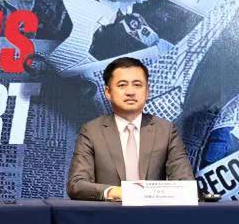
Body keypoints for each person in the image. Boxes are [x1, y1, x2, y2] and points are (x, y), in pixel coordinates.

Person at [67, 57, 194, 200]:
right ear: (108, 92)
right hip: (109, 211)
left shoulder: (166, 130)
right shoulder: (91, 131)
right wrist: (115, 192)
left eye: (137, 85)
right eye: (122, 85)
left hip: (153, 212)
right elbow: (76, 184)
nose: (130, 92)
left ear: (147, 91)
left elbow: (186, 184)